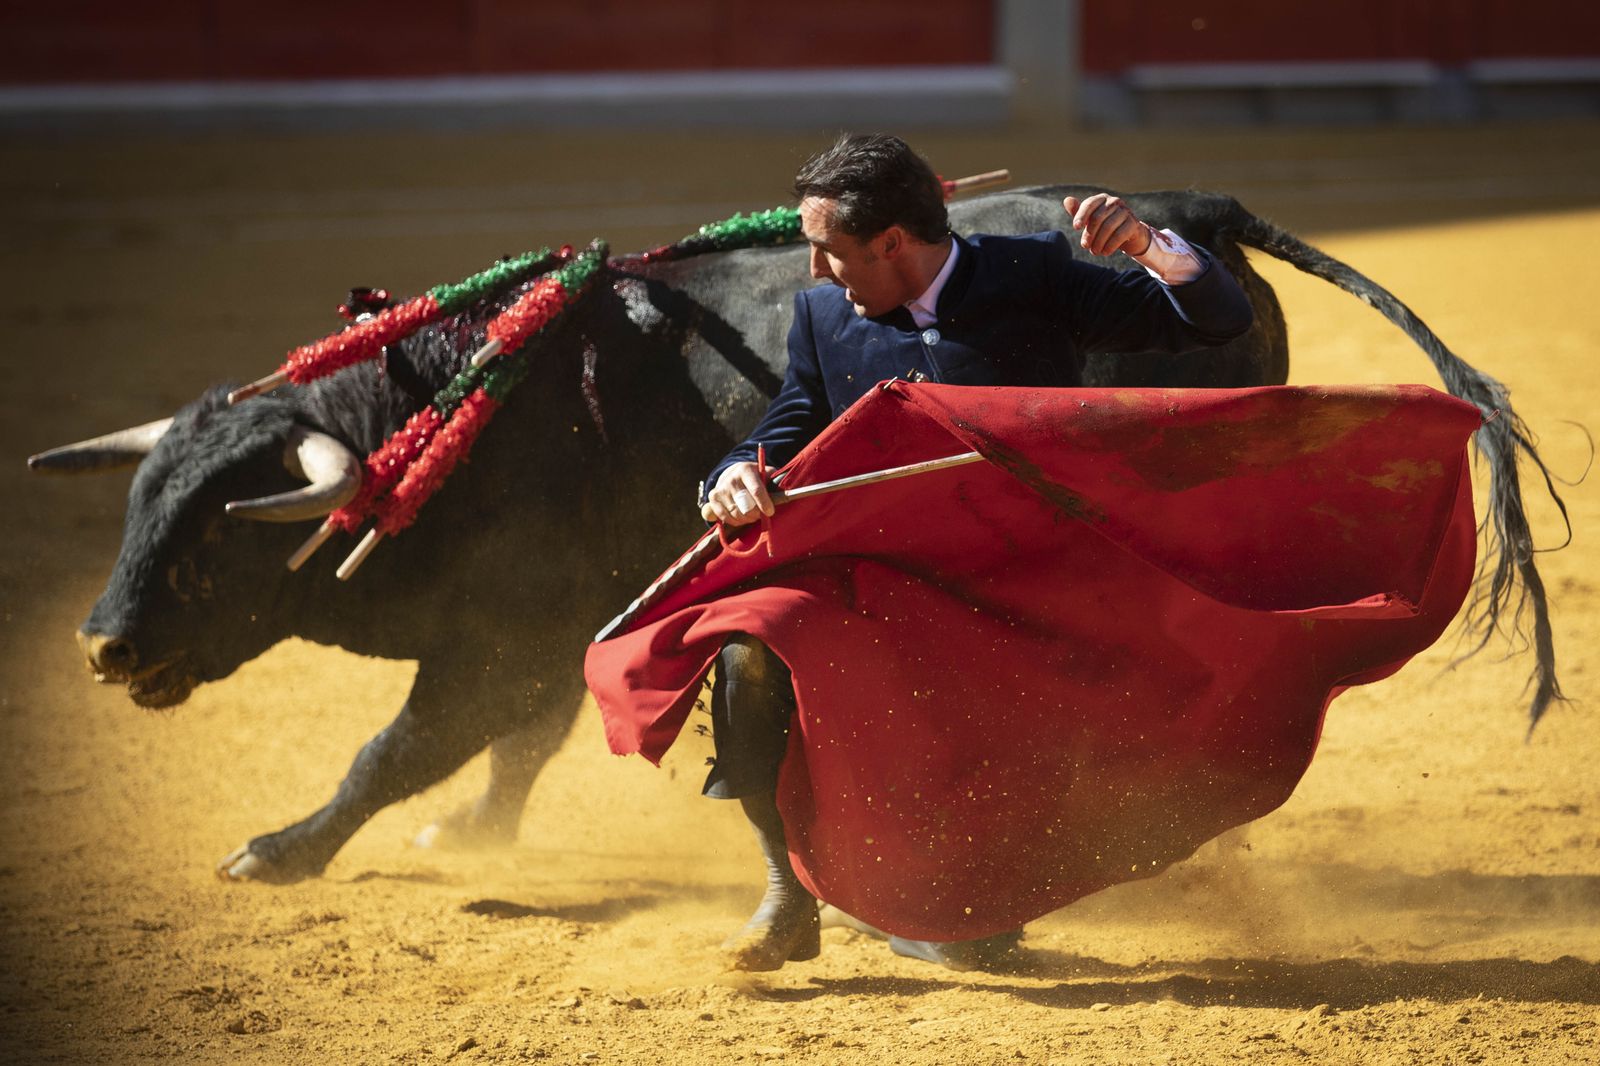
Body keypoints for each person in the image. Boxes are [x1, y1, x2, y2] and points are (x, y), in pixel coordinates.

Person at [697, 133, 1255, 972]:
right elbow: (788, 423)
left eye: (831, 250)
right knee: (747, 646)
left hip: (1027, 581)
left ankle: (961, 894)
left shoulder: (1030, 275)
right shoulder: (822, 317)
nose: (814, 271)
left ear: (893, 243)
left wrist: (1145, 248)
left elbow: (1216, 321)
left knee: (965, 939)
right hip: (889, 575)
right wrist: (739, 470)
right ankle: (786, 888)